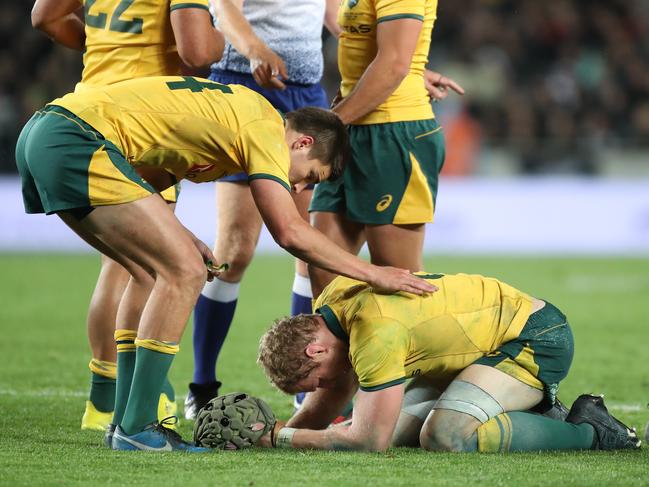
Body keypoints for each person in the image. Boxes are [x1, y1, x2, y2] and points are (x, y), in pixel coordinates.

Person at [15, 75, 436, 451]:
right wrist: (372, 272)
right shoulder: (268, 129)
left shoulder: (231, 128)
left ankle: (123, 422)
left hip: (47, 133)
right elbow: (288, 232)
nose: (298, 185)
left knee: (147, 272)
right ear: (302, 143)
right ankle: (139, 426)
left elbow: (144, 175)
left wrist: (182, 237)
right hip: (76, 140)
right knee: (185, 272)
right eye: (310, 176)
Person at [30, 0, 225, 432]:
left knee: (121, 268)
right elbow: (198, 53)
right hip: (142, 120)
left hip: (87, 106)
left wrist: (108, 47)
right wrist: (221, 38)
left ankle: (104, 398)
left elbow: (44, 17)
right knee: (150, 270)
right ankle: (135, 396)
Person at [257, 272, 641, 452]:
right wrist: (274, 435)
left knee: (443, 436)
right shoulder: (333, 302)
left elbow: (368, 442)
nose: (325, 389)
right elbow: (347, 402)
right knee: (388, 428)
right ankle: (536, 413)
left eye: (316, 381)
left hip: (533, 338)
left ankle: (591, 431)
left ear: (315, 350)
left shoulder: (375, 334)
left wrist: (282, 436)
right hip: (476, 349)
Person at [184, 0, 342, 419]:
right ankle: (202, 384)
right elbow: (221, 6)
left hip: (305, 90)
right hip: (244, 83)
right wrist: (253, 48)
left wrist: (408, 69)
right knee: (235, 251)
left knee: (310, 252)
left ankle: (307, 385)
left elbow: (337, 15)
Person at [308, 0, 464, 299]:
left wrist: (329, 126)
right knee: (325, 271)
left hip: (393, 132)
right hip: (351, 125)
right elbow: (362, 35)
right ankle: (346, 347)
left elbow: (393, 65)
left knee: (399, 281)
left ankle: (419, 344)